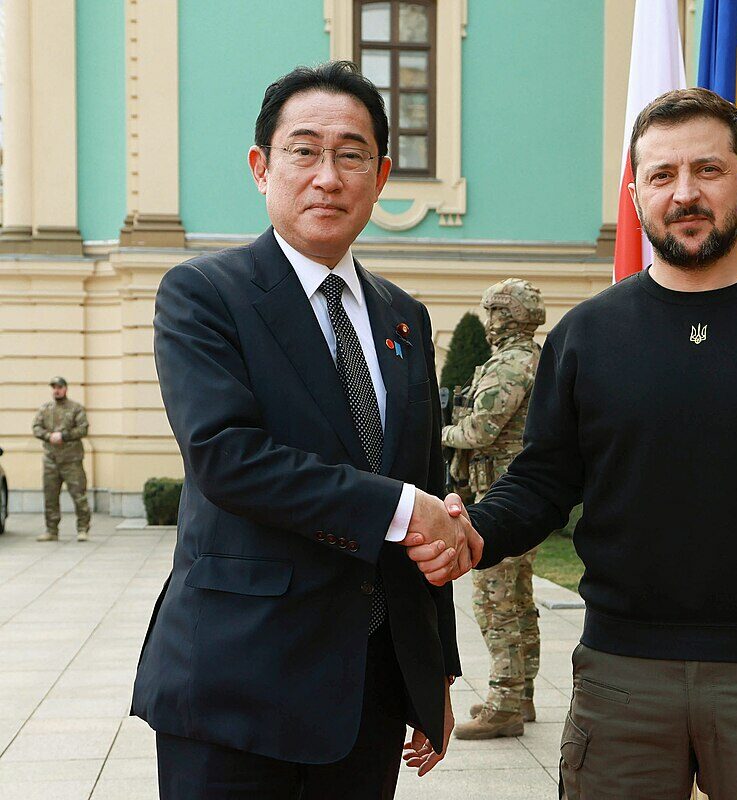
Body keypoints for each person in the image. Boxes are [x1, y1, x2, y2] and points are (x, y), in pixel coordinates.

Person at [409, 87, 737, 798]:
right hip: (620, 676)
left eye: (708, 170)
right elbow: (545, 477)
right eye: (662, 176)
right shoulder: (586, 336)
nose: (686, 193)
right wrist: (473, 530)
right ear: (637, 193)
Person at [131, 61, 480, 800]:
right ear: (263, 167)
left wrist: (433, 670)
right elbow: (227, 458)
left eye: (351, 154)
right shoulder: (203, 295)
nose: (328, 176)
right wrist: (397, 507)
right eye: (304, 150)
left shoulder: (404, 318)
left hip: (369, 690)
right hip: (236, 688)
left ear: (380, 176)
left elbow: (431, 500)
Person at [442, 279, 545, 740]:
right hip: (520, 498)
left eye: (493, 312)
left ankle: (504, 704)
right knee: (519, 601)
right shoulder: (534, 359)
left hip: (502, 500)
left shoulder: (511, 365)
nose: (488, 322)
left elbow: (480, 430)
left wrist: (438, 434)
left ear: (506, 316)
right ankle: (520, 696)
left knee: (493, 603)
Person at [32, 377, 90, 542]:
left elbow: (83, 428)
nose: (56, 390)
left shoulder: (75, 408)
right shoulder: (45, 409)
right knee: (50, 496)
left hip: (71, 460)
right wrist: (48, 436)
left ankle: (83, 528)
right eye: (54, 387)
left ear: (65, 388)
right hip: (51, 459)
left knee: (78, 495)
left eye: (59, 387)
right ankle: (51, 530)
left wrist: (64, 436)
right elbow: (36, 427)